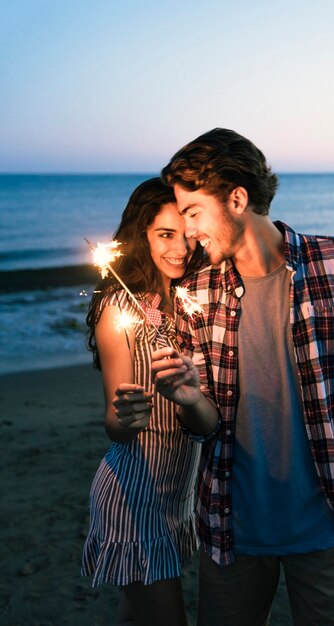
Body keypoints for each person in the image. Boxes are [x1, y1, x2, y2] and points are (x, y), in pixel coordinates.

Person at [151, 129, 334, 626]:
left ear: (237, 199)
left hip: (328, 528)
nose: (190, 231)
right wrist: (188, 399)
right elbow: (204, 427)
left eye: (195, 212)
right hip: (230, 532)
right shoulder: (193, 294)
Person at [81, 177, 204, 626]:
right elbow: (113, 424)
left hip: (178, 491)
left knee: (138, 617)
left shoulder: (179, 302)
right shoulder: (120, 308)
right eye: (164, 235)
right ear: (141, 236)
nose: (180, 248)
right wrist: (127, 417)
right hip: (136, 493)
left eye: (186, 234)